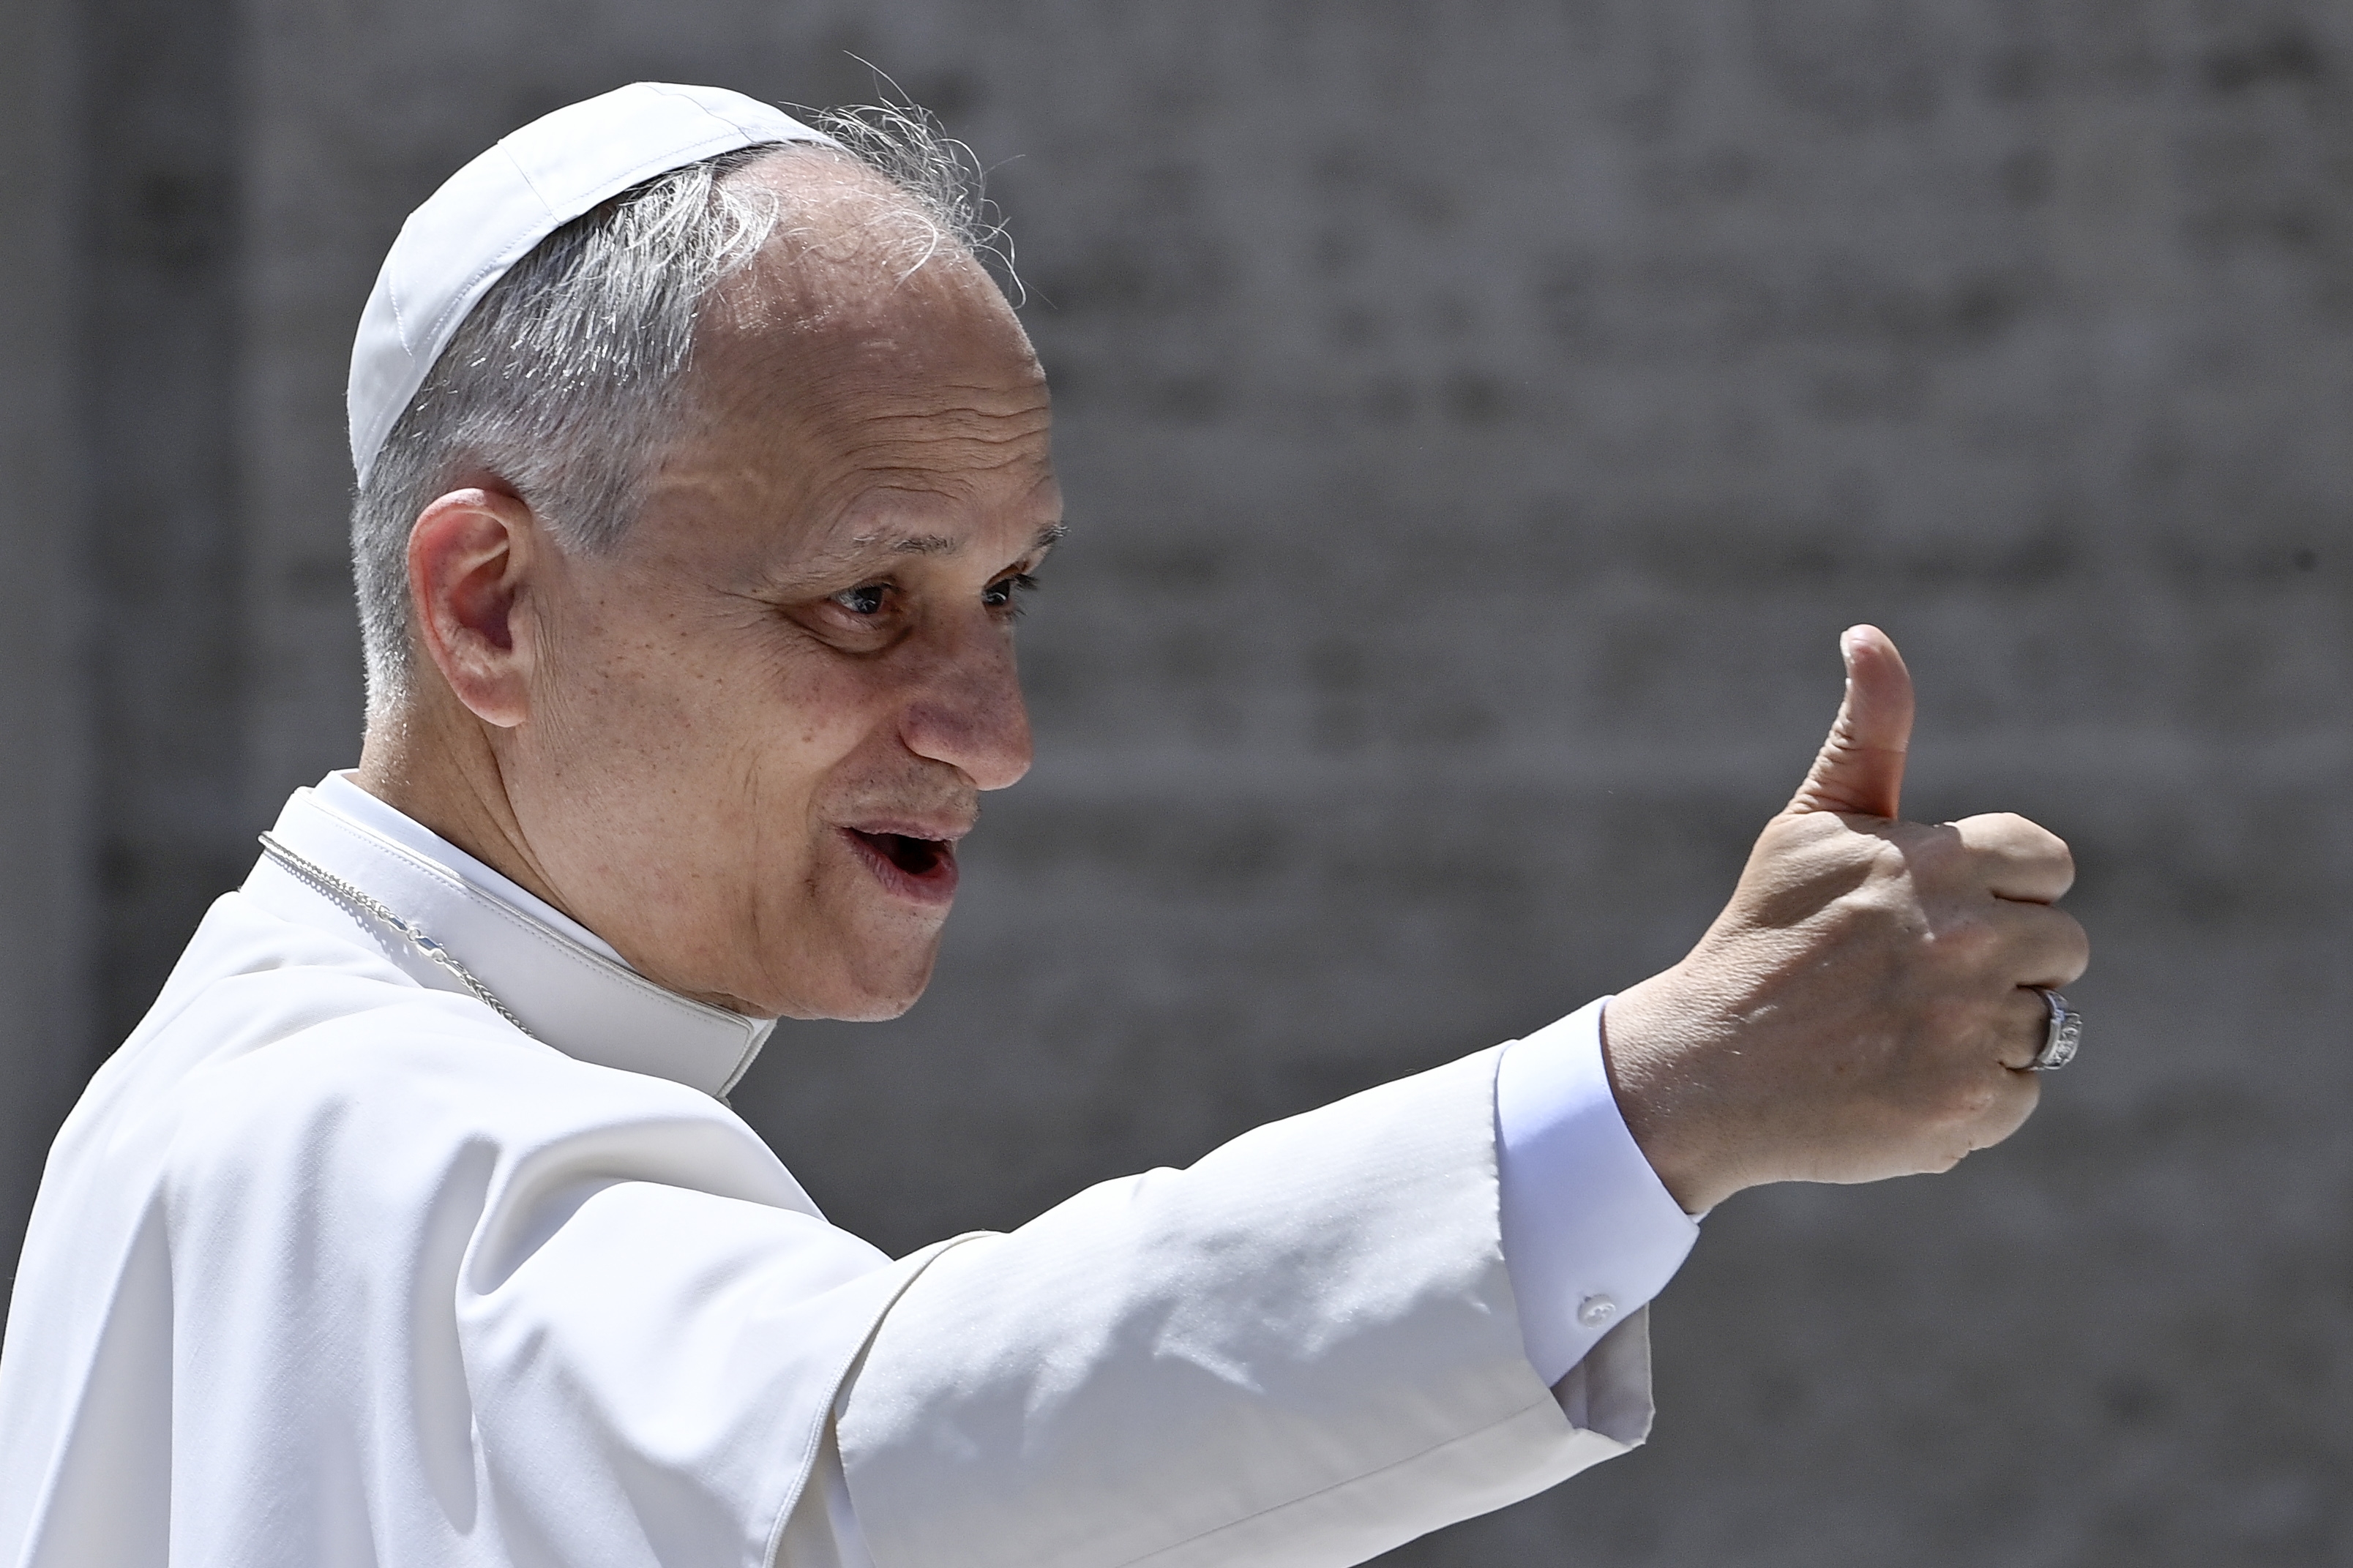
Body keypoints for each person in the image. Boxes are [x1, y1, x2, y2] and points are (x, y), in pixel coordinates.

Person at [0, 83, 2088, 1568]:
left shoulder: (277, 1082)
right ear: (489, 606)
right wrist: (1669, 1097)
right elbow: (897, 1468)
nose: (992, 734)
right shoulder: (354, 1127)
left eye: (1005, 594)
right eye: (863, 600)